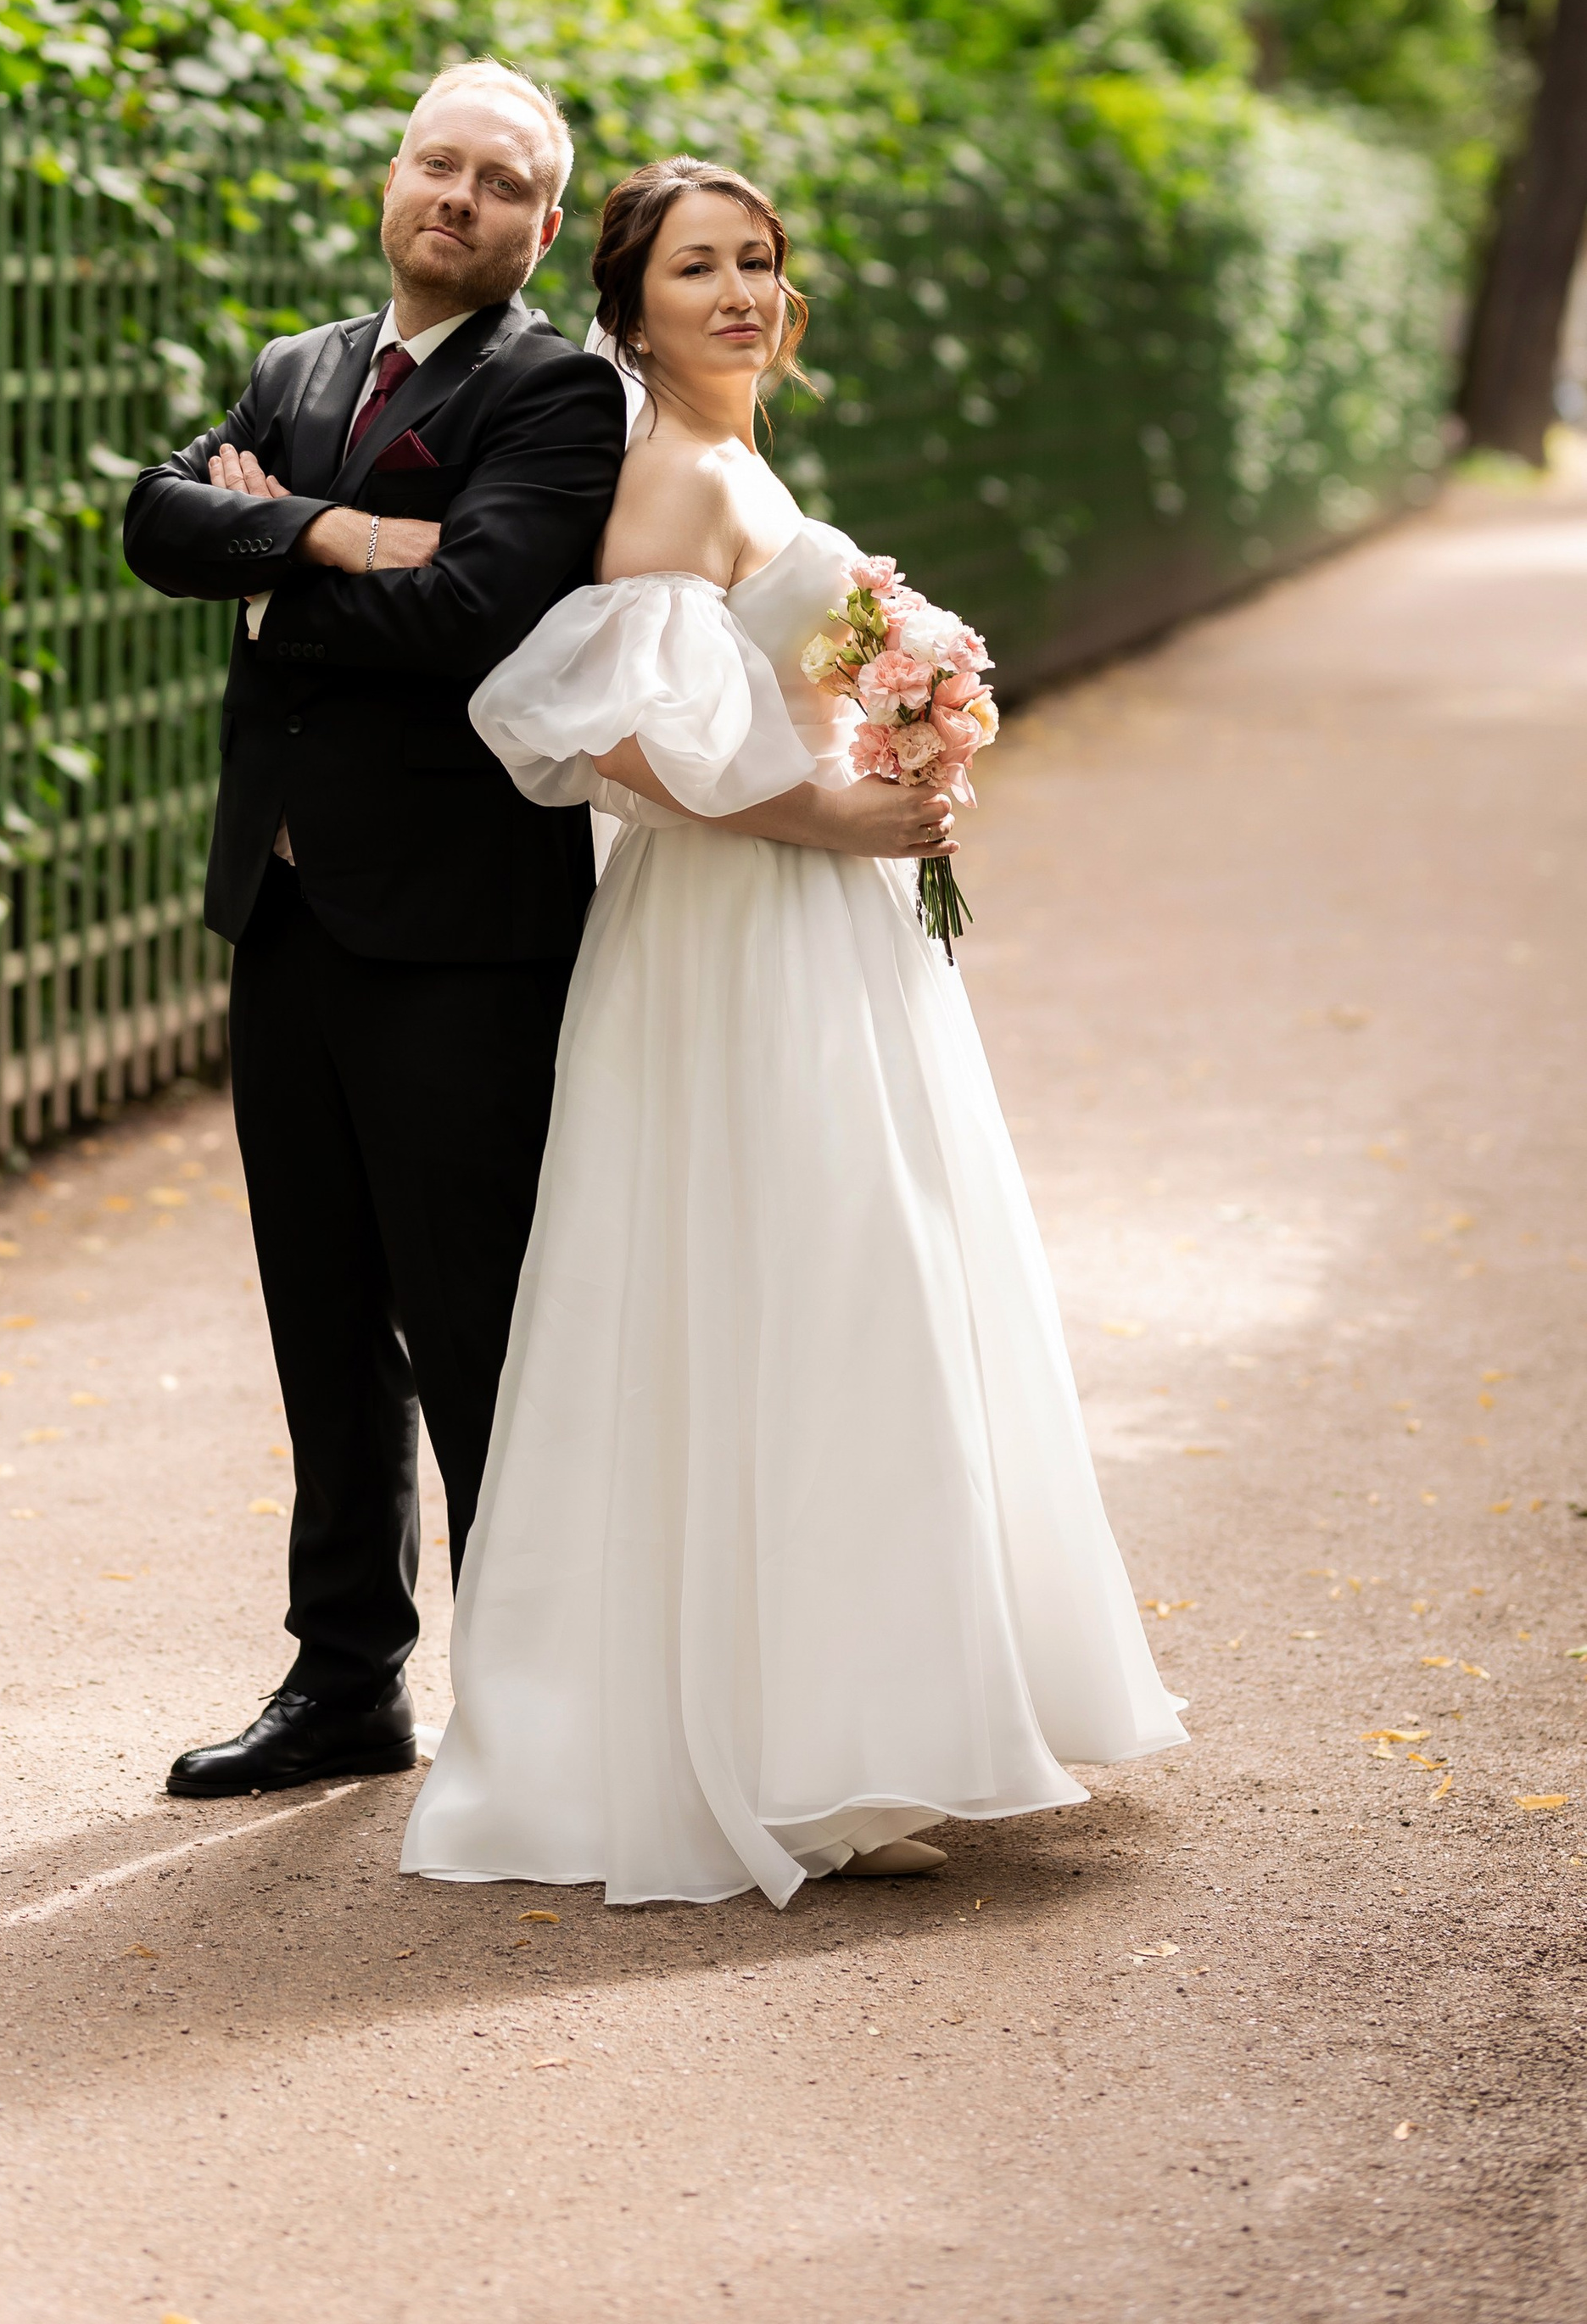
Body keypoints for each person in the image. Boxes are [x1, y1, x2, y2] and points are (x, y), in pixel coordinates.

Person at [400, 156, 1186, 1907]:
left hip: (827, 937)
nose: (738, 292)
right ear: (631, 307)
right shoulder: (667, 477)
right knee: (789, 1283)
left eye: (756, 262)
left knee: (862, 1282)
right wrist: (832, 820)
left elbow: (759, 694)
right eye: (696, 269)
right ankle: (788, 1753)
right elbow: (592, 729)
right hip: (737, 941)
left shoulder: (741, 458)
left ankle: (868, 1706)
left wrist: (901, 747)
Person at [122, 59, 629, 1798]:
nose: (458, 196)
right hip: (281, 908)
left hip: (461, 934)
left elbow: (480, 613)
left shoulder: (556, 397)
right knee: (320, 1313)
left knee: (476, 1325)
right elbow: (155, 521)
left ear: (540, 228)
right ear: (391, 176)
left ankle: (538, 1702)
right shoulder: (299, 368)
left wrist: (278, 592)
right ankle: (344, 1683)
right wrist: (329, 531)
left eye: (500, 181)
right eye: (437, 162)